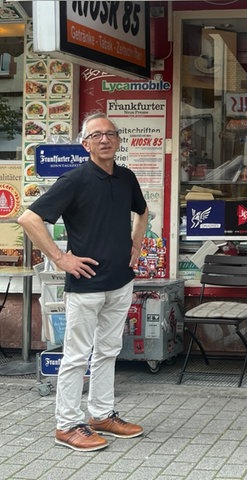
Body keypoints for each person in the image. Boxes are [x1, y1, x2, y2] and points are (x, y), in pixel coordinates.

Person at [18, 112, 149, 452]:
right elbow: (29, 218)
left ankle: (102, 414)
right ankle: (67, 424)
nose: (105, 139)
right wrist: (61, 259)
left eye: (110, 134)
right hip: (86, 283)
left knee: (108, 351)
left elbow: (142, 212)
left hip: (121, 281)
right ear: (85, 143)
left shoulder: (126, 177)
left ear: (118, 140)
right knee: (77, 356)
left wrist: (136, 245)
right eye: (96, 135)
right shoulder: (74, 180)